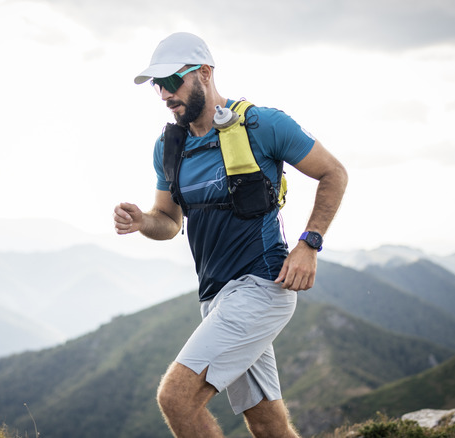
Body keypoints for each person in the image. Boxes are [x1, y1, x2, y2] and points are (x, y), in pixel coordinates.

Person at [113, 32, 348, 438]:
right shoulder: (169, 148)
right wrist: (141, 222)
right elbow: (167, 222)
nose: (166, 95)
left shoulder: (263, 124)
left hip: (262, 286)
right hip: (215, 298)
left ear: (204, 73)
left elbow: (334, 173)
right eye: (158, 87)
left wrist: (309, 244)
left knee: (176, 399)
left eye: (172, 82)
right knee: (266, 422)